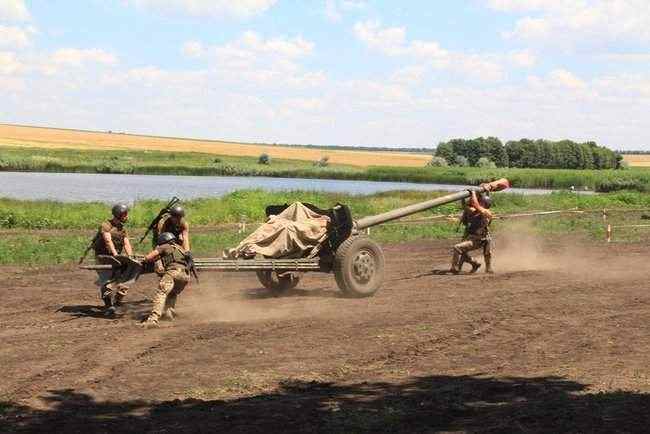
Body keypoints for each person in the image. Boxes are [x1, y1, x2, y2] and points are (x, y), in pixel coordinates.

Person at [140, 232, 190, 328]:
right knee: (172, 293)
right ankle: (168, 313)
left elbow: (149, 257)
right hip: (185, 275)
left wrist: (145, 260)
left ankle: (153, 319)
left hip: (174, 272)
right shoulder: (180, 248)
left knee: (161, 292)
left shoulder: (164, 246)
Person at [94, 203, 133, 315]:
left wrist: (130, 257)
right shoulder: (106, 226)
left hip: (117, 258)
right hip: (103, 257)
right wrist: (116, 255)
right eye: (125, 214)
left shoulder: (122, 228)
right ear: (119, 215)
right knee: (107, 281)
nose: (127, 216)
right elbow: (108, 241)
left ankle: (117, 302)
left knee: (125, 281)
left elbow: (126, 243)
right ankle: (108, 305)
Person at [450, 189, 494, 274]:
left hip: (480, 239)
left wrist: (473, 192)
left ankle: (455, 267)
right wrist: (462, 196)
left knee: (457, 247)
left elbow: (475, 204)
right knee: (463, 252)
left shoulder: (486, 212)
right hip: (473, 237)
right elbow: (465, 206)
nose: (479, 202)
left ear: (485, 204)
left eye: (481, 201)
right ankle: (475, 263)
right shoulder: (475, 210)